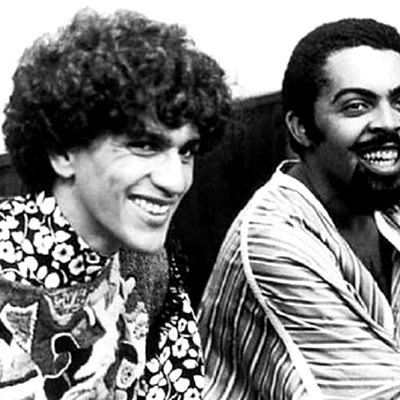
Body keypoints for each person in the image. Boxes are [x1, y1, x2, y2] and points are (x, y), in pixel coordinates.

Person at [0, 7, 231, 400]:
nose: (175, 181)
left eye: (186, 151)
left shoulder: (149, 266)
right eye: (144, 145)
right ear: (63, 153)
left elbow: (179, 387)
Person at [198, 18, 400, 400]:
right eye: (356, 106)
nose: (389, 123)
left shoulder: (385, 201)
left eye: (399, 102)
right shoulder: (273, 240)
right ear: (302, 128)